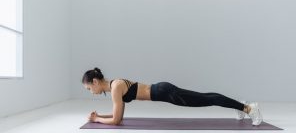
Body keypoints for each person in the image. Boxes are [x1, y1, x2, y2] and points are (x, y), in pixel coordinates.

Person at [82, 67, 263, 126]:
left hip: (164, 92)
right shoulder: (115, 85)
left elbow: (117, 120)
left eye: (89, 88)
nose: (91, 92)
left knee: (206, 99)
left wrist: (97, 119)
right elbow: (117, 116)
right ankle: (240, 105)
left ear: (96, 82)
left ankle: (248, 108)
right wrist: (98, 117)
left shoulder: (115, 88)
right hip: (163, 90)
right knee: (205, 97)